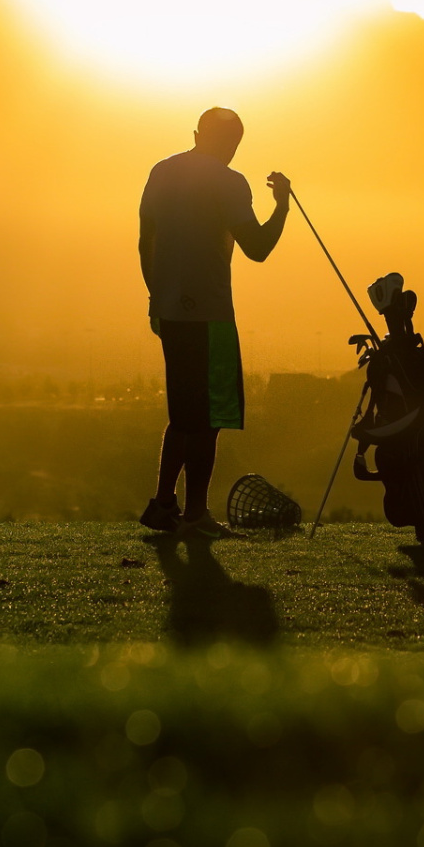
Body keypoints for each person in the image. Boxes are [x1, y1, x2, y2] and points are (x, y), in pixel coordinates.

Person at [138, 107, 290, 537]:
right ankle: (195, 515)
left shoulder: (162, 172)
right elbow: (258, 247)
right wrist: (282, 206)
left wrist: (156, 297)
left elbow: (144, 240)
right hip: (210, 313)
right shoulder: (229, 182)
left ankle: (163, 505)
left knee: (183, 414)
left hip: (169, 310)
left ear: (196, 134)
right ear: (234, 143)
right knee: (209, 417)